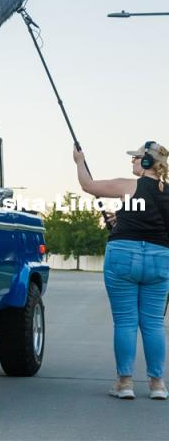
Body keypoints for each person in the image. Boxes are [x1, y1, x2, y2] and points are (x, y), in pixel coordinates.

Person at [73, 141, 169, 400]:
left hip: (123, 256)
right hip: (160, 259)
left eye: (137, 158)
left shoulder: (129, 186)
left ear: (147, 162)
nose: (132, 162)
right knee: (153, 323)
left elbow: (88, 186)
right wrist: (123, 217)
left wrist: (80, 161)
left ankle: (125, 383)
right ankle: (158, 385)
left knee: (125, 321)